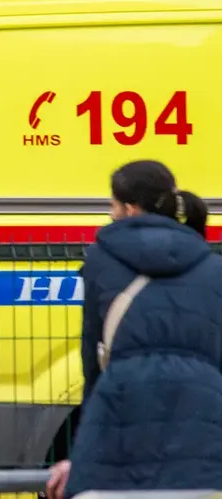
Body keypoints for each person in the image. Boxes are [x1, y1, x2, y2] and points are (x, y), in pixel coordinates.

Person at [47, 160, 222, 499]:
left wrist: (83, 451)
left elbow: (93, 359)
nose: (110, 213)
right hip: (203, 425)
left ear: (128, 208)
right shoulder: (213, 268)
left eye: (112, 205)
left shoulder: (100, 260)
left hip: (122, 416)